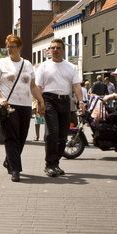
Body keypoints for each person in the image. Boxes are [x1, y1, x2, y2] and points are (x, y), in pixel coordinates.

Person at [0, 35, 45, 181]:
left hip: (25, 105)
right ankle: (15, 169)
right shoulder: (1, 63)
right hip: (8, 105)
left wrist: (40, 100)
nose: (9, 49)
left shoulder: (27, 64)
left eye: (12, 46)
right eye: (7, 46)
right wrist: (0, 98)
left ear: (19, 48)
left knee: (21, 137)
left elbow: (32, 86)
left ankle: (9, 160)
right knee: (11, 137)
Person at [34, 38, 84, 178]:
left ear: (63, 50)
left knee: (63, 135)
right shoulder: (43, 66)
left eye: (58, 48)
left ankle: (56, 163)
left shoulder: (70, 67)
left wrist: (81, 101)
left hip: (65, 101)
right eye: (53, 48)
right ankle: (49, 164)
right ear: (49, 50)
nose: (55, 50)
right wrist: (39, 103)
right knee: (52, 132)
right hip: (49, 99)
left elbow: (76, 86)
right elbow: (38, 87)